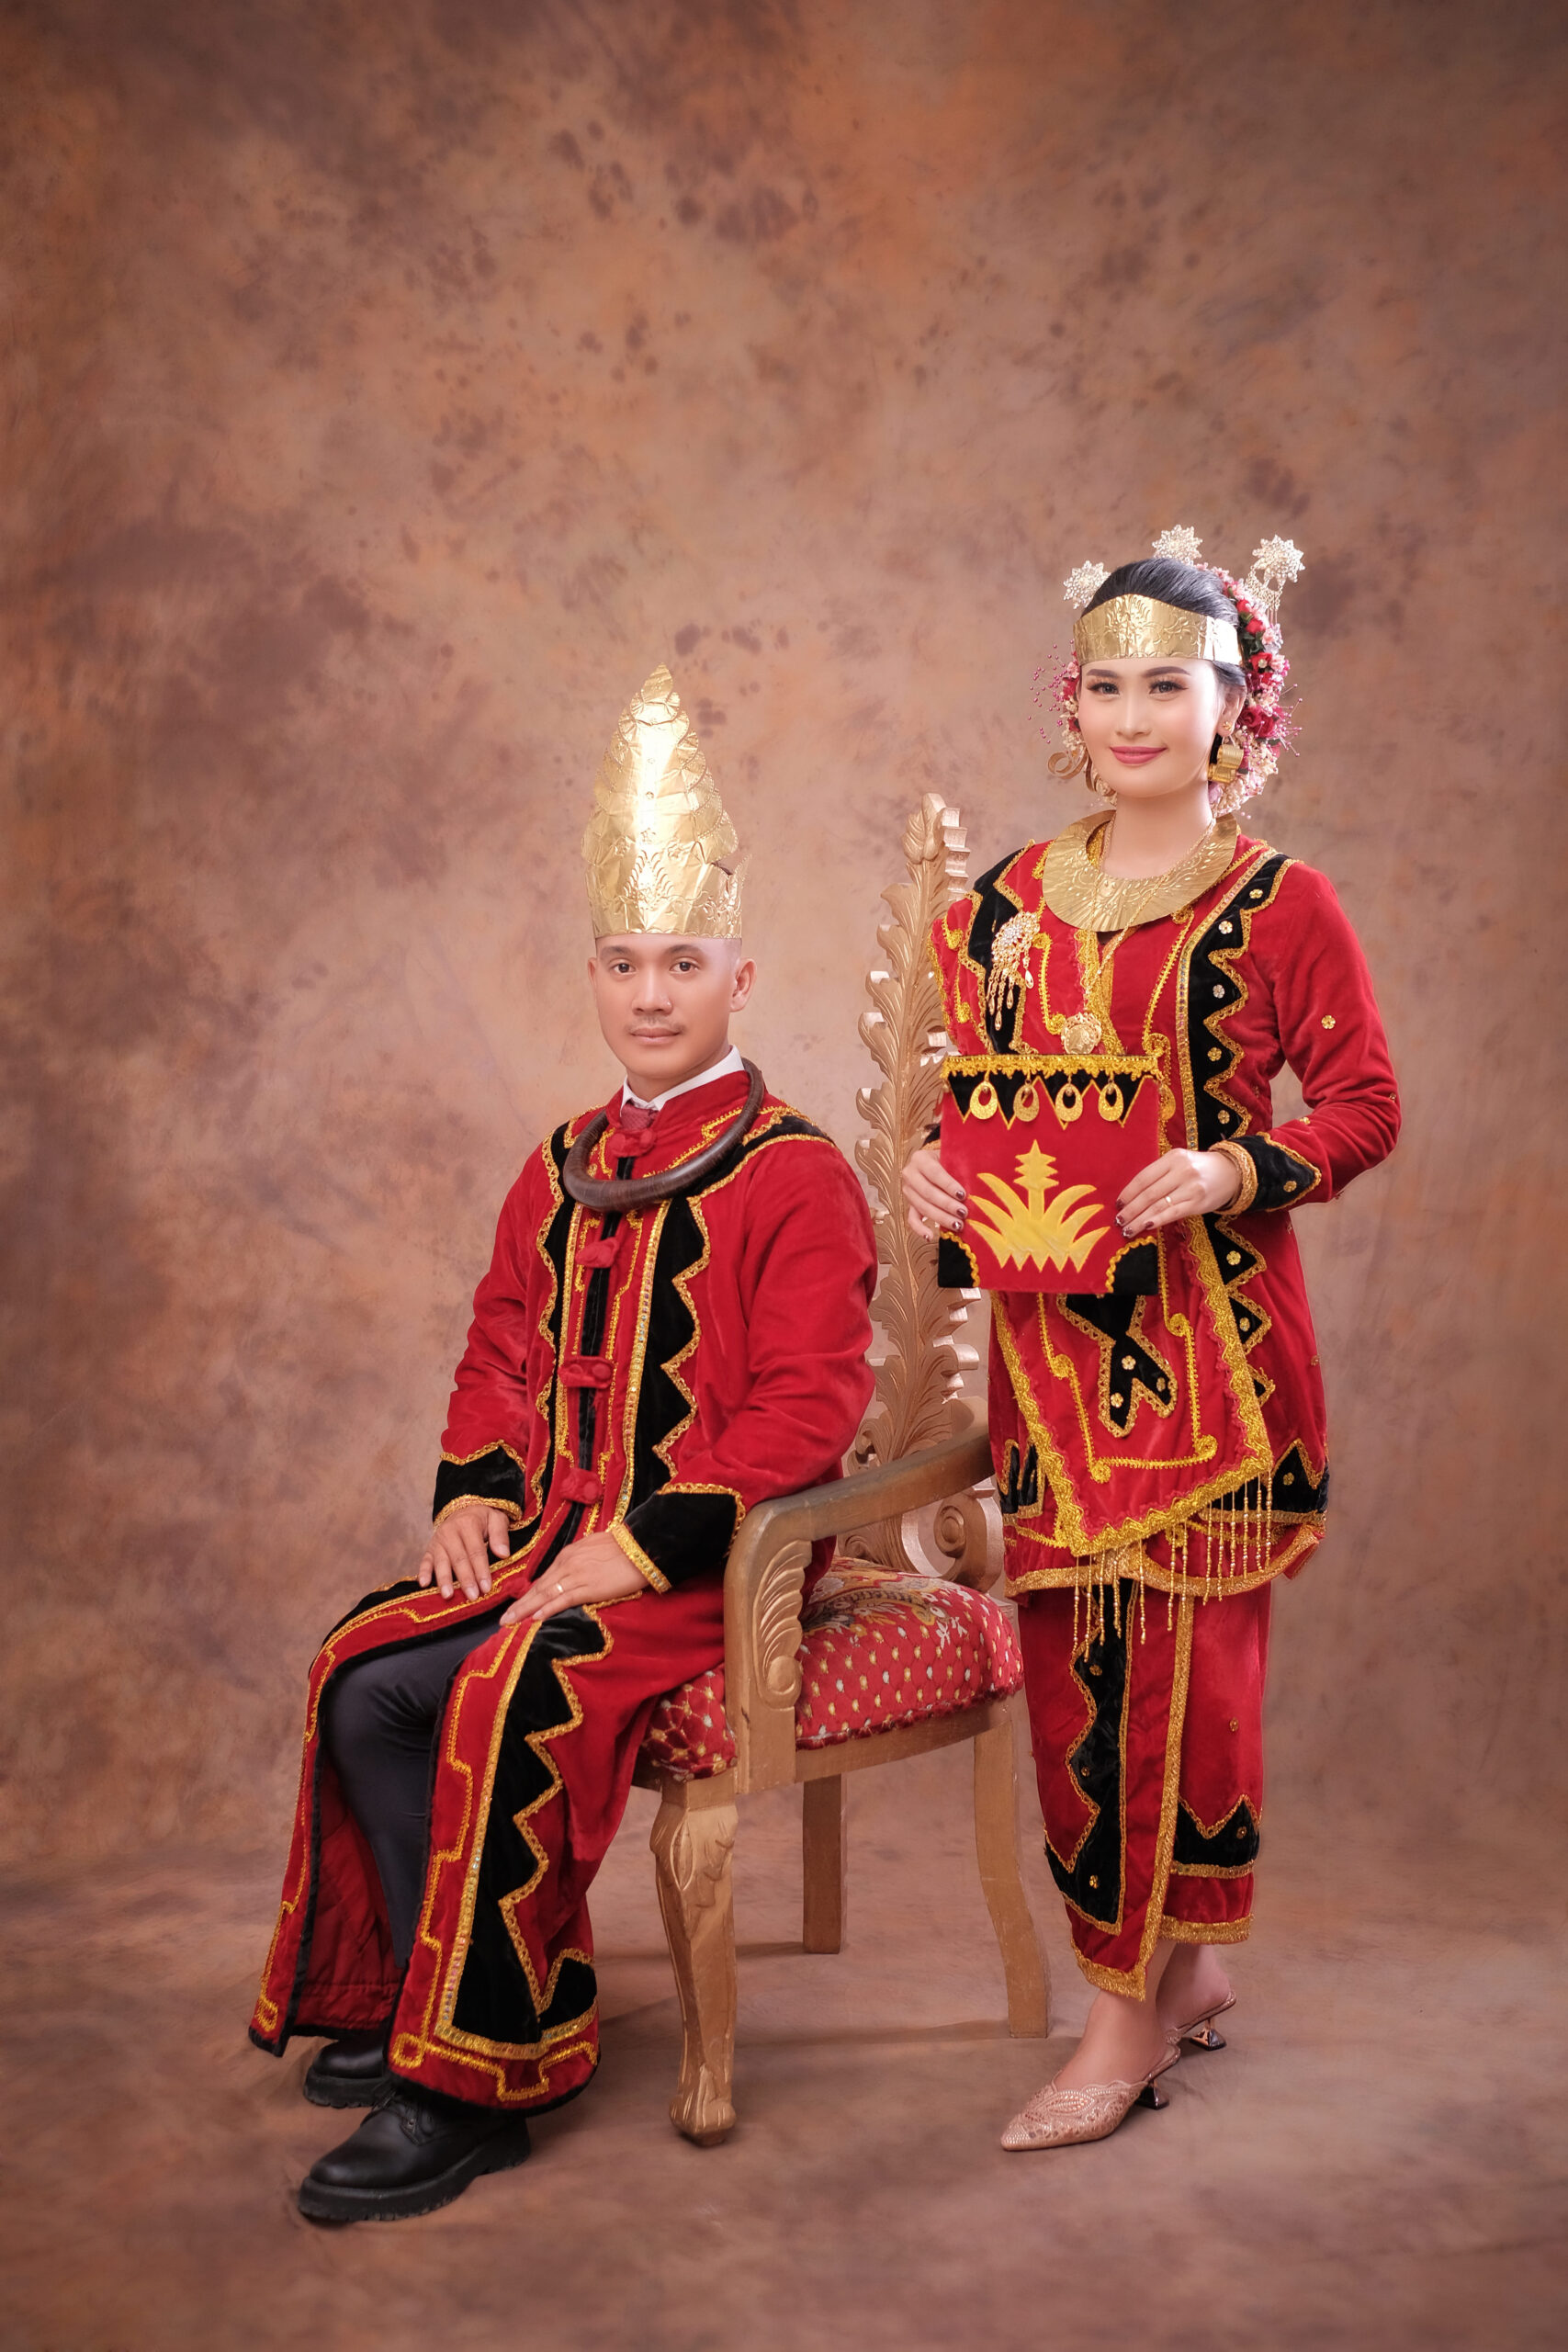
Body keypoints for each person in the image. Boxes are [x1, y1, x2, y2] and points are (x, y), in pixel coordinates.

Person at [252, 666, 876, 2221]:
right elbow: (498, 1350)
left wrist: (644, 1547)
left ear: (740, 974)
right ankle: (449, 1994)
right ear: (593, 973)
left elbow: (810, 1409)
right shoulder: (558, 1165)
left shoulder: (795, 1174)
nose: (651, 995)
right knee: (365, 1675)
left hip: (722, 1564)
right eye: (623, 963)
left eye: (683, 964)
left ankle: (473, 2086)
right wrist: (473, 1494)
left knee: (512, 1686)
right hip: (553, 1537)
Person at [903, 530, 1399, 2150]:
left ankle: (1123, 2016)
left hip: (1219, 1377)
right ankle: (1174, 1975)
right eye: (1106, 685)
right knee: (1079, 1696)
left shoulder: (1285, 905)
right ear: (1072, 703)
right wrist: (927, 1170)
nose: (1132, 718)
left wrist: (1231, 1168)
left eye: (1167, 686)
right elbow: (981, 1112)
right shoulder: (1000, 908)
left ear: (1236, 707)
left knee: (1188, 1697)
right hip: (1052, 1373)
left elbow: (1364, 1105)